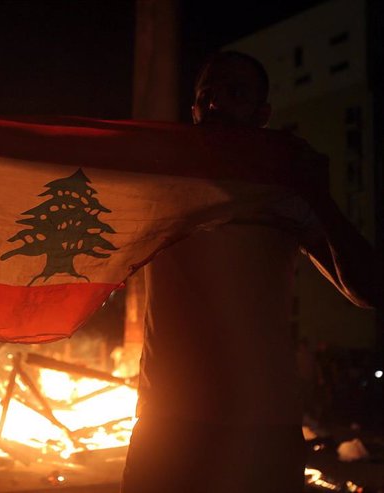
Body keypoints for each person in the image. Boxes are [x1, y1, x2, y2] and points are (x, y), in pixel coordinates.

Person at [121, 51, 381, 493]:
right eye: (207, 94)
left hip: (262, 427)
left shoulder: (284, 191)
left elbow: (369, 290)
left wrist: (318, 197)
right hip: (167, 420)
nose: (217, 102)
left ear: (262, 115)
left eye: (235, 92)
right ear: (194, 110)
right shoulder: (160, 186)